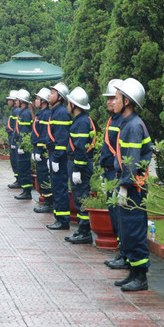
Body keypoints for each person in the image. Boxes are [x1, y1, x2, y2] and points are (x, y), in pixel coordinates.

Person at [106, 77, 152, 292]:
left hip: (133, 187)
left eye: (116, 97)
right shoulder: (127, 123)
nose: (113, 101)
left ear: (127, 101)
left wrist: (125, 185)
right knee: (126, 229)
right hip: (127, 184)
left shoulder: (133, 126)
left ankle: (140, 277)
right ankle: (133, 272)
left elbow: (131, 161)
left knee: (134, 229)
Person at [64, 87, 95, 244]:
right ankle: (82, 230)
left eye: (69, 103)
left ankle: (85, 231)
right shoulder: (80, 120)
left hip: (79, 165)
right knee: (78, 198)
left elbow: (81, 147)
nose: (67, 106)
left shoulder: (82, 122)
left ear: (74, 105)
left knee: (82, 198)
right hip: (76, 163)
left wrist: (77, 169)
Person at [99, 79, 125, 261]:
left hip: (118, 174)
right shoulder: (113, 119)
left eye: (113, 98)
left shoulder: (123, 121)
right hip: (109, 172)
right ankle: (120, 249)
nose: (109, 102)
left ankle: (124, 252)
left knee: (120, 214)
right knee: (113, 213)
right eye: (108, 98)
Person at [45, 82, 72, 230]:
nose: (49, 95)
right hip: (54, 155)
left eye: (53, 93)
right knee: (56, 187)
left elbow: (61, 139)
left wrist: (55, 158)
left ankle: (63, 220)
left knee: (60, 188)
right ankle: (58, 217)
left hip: (59, 158)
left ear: (60, 97)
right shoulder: (55, 111)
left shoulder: (61, 112)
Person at [31, 87, 54, 215]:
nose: (36, 101)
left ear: (44, 101)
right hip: (38, 150)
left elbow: (44, 134)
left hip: (42, 151)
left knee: (44, 177)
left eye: (38, 98)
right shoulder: (41, 113)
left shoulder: (45, 114)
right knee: (41, 176)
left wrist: (39, 149)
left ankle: (48, 203)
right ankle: (46, 200)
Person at [13, 90, 34, 200]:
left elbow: (25, 132)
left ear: (21, 101)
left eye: (17, 100)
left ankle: (27, 191)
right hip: (19, 144)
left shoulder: (25, 113)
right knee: (21, 167)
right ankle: (24, 190)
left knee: (24, 168)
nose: (15, 102)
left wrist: (21, 145)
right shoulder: (22, 112)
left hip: (23, 147)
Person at [5, 90, 20, 189]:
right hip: (11, 137)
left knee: (16, 160)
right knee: (13, 160)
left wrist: (14, 139)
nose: (8, 102)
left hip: (14, 138)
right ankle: (17, 179)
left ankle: (19, 180)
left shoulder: (17, 111)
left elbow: (16, 128)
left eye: (9, 100)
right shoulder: (14, 111)